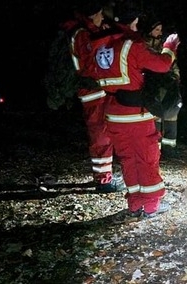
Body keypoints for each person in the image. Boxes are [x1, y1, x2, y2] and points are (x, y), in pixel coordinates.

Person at [91, 7, 181, 221]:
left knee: (128, 160)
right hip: (136, 114)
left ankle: (135, 204)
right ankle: (151, 206)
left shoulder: (100, 45)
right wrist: (170, 47)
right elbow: (162, 65)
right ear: (134, 23)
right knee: (147, 160)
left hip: (113, 113)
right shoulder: (131, 45)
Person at [64, 0, 125, 192]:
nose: (102, 17)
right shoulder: (82, 34)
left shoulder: (88, 32)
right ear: (93, 15)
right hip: (93, 93)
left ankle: (105, 176)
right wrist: (107, 39)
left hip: (98, 92)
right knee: (100, 136)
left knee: (104, 133)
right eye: (100, 14)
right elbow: (93, 65)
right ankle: (103, 180)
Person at [141, 17, 182, 159]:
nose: (159, 32)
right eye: (156, 29)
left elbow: (172, 62)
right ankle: (155, 150)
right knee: (155, 116)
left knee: (171, 114)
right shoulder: (142, 45)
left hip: (167, 84)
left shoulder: (164, 46)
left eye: (160, 30)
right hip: (152, 85)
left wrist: (175, 77)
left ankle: (169, 149)